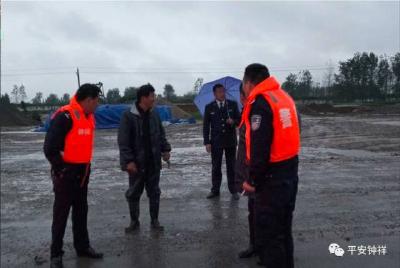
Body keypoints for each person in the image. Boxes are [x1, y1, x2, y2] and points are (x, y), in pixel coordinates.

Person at [241, 63, 300, 268]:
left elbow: (260, 147)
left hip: (271, 180)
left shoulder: (261, 102)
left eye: (244, 84)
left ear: (249, 83)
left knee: (270, 237)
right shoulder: (284, 98)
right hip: (290, 173)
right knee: (284, 232)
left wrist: (252, 180)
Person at [44, 84, 104, 268]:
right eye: (96, 101)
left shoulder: (88, 116)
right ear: (88, 99)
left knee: (81, 211)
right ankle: (56, 254)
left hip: (83, 172)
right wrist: (61, 169)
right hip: (66, 173)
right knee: (61, 213)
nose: (97, 105)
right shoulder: (65, 116)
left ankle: (82, 247)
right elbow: (49, 148)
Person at [118, 84, 171, 233]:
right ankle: (134, 221)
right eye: (152, 96)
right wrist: (129, 161)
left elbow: (160, 134)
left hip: (153, 162)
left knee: (154, 192)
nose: (154, 98)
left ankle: (155, 220)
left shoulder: (154, 114)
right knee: (134, 193)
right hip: (136, 164)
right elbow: (123, 141)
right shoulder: (128, 116)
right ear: (143, 98)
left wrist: (165, 149)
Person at [203, 83, 240, 200]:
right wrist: (207, 142)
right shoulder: (209, 107)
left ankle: (234, 190)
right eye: (219, 92)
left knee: (232, 166)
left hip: (230, 141)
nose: (222, 94)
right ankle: (215, 190)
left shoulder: (232, 105)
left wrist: (233, 121)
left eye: (223, 91)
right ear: (214, 94)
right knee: (216, 166)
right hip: (216, 142)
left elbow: (239, 120)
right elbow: (205, 126)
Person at [235, 84, 256, 259]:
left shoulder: (259, 112)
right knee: (253, 211)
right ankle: (254, 244)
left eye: (242, 95)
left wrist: (253, 178)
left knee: (263, 213)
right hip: (250, 173)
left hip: (259, 175)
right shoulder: (246, 111)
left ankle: (264, 249)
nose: (241, 98)